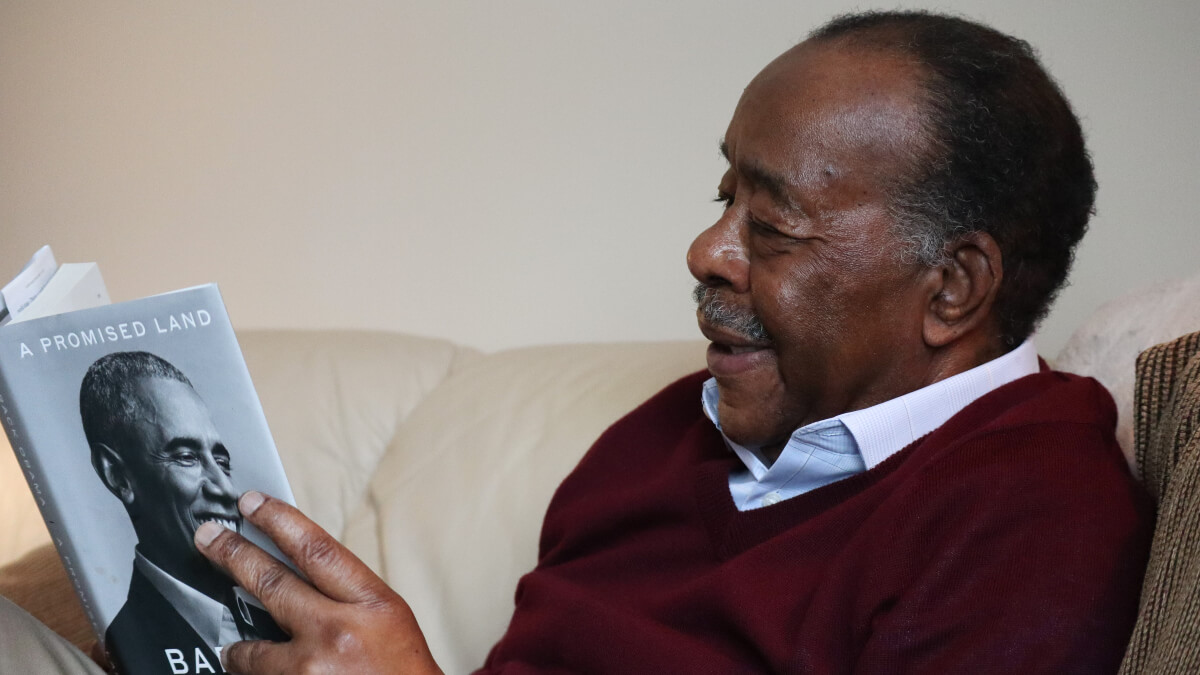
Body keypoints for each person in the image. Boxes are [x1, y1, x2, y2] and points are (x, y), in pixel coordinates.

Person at [187, 10, 1152, 674]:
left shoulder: (1031, 516)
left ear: (953, 288)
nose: (707, 250)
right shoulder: (662, 436)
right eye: (723, 196)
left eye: (774, 222)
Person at [80, 351, 285, 675]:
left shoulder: (285, 626)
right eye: (187, 457)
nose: (227, 490)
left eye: (222, 462)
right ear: (118, 476)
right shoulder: (123, 647)